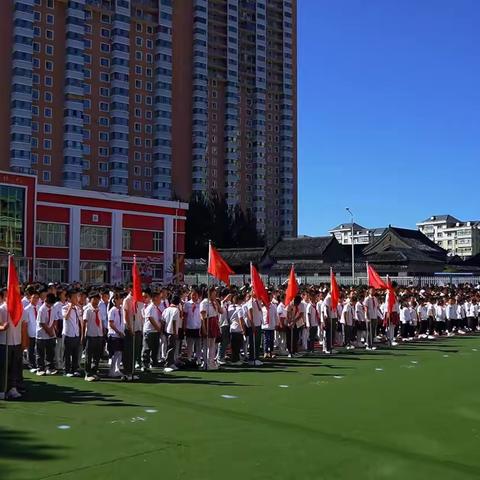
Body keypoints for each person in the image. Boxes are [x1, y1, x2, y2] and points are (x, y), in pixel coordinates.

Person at [0, 294, 25, 400]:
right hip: (4, 342)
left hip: (16, 342)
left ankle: (13, 388)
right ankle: (2, 389)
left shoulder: (20, 309)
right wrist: (2, 327)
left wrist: (24, 342)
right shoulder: (2, 309)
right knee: (3, 367)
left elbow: (23, 326)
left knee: (15, 367)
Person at [122, 287, 144, 381]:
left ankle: (132, 371)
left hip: (138, 328)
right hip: (130, 329)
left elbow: (141, 314)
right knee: (129, 352)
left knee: (135, 351)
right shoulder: (127, 300)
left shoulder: (139, 299)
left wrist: (141, 327)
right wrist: (130, 327)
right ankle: (127, 372)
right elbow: (126, 315)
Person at [83, 292, 105, 381]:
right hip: (90, 335)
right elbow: (84, 322)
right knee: (89, 355)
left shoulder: (99, 310)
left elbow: (100, 322)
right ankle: (87, 373)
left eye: (97, 299)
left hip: (99, 335)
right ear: (90, 299)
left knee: (97, 355)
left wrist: (103, 331)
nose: (96, 301)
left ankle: (94, 372)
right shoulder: (87, 310)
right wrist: (83, 335)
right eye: (94, 299)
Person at [200, 286, 223, 370]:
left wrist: (216, 301)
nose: (215, 294)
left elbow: (221, 311)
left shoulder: (214, 302)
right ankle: (206, 363)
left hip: (214, 322)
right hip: (207, 322)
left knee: (213, 344)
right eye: (214, 292)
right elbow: (202, 316)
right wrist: (204, 328)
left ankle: (211, 362)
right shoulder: (204, 302)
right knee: (206, 344)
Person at [35, 293, 57, 376]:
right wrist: (49, 331)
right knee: (40, 353)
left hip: (50, 334)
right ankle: (40, 369)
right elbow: (42, 323)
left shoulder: (53, 308)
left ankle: (49, 368)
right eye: (49, 303)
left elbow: (55, 319)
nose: (50, 305)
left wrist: (51, 330)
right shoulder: (42, 309)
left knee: (50, 352)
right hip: (41, 334)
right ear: (46, 301)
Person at [62, 291, 82, 377]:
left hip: (76, 334)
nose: (76, 299)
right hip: (68, 334)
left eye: (76, 297)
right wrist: (70, 307)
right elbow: (66, 317)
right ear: (69, 299)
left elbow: (79, 321)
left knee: (75, 353)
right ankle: (66, 370)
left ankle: (74, 369)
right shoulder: (65, 307)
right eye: (74, 297)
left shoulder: (77, 308)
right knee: (67, 354)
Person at [142, 290, 162, 371]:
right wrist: (158, 328)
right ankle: (145, 364)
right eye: (159, 298)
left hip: (155, 331)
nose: (160, 300)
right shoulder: (150, 307)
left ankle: (154, 362)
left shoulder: (155, 307)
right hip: (149, 331)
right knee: (147, 348)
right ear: (155, 298)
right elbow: (150, 318)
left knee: (155, 348)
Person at [107, 294, 125, 378]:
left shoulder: (121, 310)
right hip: (114, 334)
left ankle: (117, 369)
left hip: (120, 334)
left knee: (119, 353)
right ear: (115, 300)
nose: (122, 300)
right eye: (120, 299)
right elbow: (111, 323)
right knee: (114, 353)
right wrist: (118, 332)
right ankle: (112, 370)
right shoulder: (112, 310)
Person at [163, 295, 181, 373]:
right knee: (171, 348)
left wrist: (163, 330)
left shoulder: (166, 309)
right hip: (172, 331)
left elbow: (163, 320)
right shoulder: (176, 310)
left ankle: (170, 362)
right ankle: (169, 364)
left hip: (166, 331)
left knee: (169, 347)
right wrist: (175, 332)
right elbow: (174, 321)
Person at [184, 288, 202, 363]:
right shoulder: (187, 304)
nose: (193, 296)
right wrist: (184, 326)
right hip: (189, 326)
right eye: (192, 295)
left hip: (198, 326)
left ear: (198, 296)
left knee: (198, 344)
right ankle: (189, 358)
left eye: (195, 295)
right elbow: (185, 316)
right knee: (189, 344)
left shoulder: (200, 304)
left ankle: (198, 359)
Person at [246, 293, 264, 366]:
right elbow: (250, 312)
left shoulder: (258, 301)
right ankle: (252, 358)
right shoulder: (250, 302)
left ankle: (256, 358)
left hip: (258, 324)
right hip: (254, 324)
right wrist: (252, 323)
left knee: (257, 342)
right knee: (253, 342)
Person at [24, 291, 40, 372]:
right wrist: (26, 334)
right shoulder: (26, 309)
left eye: (37, 298)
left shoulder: (39, 308)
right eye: (34, 297)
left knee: (38, 350)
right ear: (30, 298)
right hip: (30, 332)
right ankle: (31, 365)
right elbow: (25, 324)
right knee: (31, 350)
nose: (35, 299)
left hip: (38, 333)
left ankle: (37, 364)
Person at [228, 294, 246, 364]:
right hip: (238, 329)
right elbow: (241, 319)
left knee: (234, 346)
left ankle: (236, 358)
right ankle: (235, 360)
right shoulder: (239, 308)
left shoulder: (230, 307)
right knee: (237, 346)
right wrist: (243, 330)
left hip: (232, 328)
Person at [262, 292, 278, 359]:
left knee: (271, 340)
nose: (269, 298)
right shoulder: (262, 307)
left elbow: (276, 316)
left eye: (270, 297)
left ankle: (271, 352)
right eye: (268, 297)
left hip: (272, 326)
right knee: (266, 340)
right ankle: (265, 352)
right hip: (265, 326)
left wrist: (276, 324)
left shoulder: (273, 306)